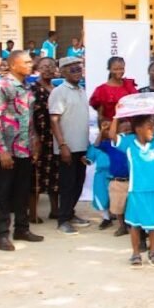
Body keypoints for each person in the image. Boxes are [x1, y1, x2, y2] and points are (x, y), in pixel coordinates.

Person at [0, 51, 44, 252]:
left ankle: (22, 228)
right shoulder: (0, 87)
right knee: (2, 193)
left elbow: (28, 117)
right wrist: (2, 150)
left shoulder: (28, 87)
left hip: (24, 148)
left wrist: (34, 139)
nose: (31, 65)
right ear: (13, 65)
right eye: (26, 62)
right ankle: (1, 234)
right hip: (6, 149)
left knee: (22, 191)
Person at [110, 107, 154, 268]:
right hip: (136, 190)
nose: (153, 129)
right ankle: (136, 253)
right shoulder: (129, 143)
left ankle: (153, 252)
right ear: (138, 129)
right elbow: (112, 135)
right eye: (149, 126)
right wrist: (117, 115)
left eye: (153, 126)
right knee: (135, 224)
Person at [49, 57, 90, 235]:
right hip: (67, 147)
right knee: (67, 184)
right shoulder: (59, 92)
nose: (77, 72)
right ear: (63, 72)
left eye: (79, 69)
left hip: (81, 147)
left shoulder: (82, 90)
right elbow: (54, 120)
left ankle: (70, 213)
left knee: (78, 183)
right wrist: (62, 145)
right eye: (72, 70)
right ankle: (63, 219)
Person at [30, 57, 60, 222]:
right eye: (44, 66)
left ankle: (55, 210)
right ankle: (33, 214)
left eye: (51, 66)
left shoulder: (56, 89)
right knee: (36, 174)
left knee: (55, 173)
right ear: (38, 69)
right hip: (39, 136)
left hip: (54, 137)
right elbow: (30, 114)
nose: (48, 69)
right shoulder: (33, 88)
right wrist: (34, 136)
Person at [89, 57, 138, 122]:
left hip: (130, 127)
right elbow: (100, 117)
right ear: (109, 69)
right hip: (112, 127)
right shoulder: (101, 90)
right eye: (115, 69)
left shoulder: (129, 85)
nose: (119, 71)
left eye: (121, 69)